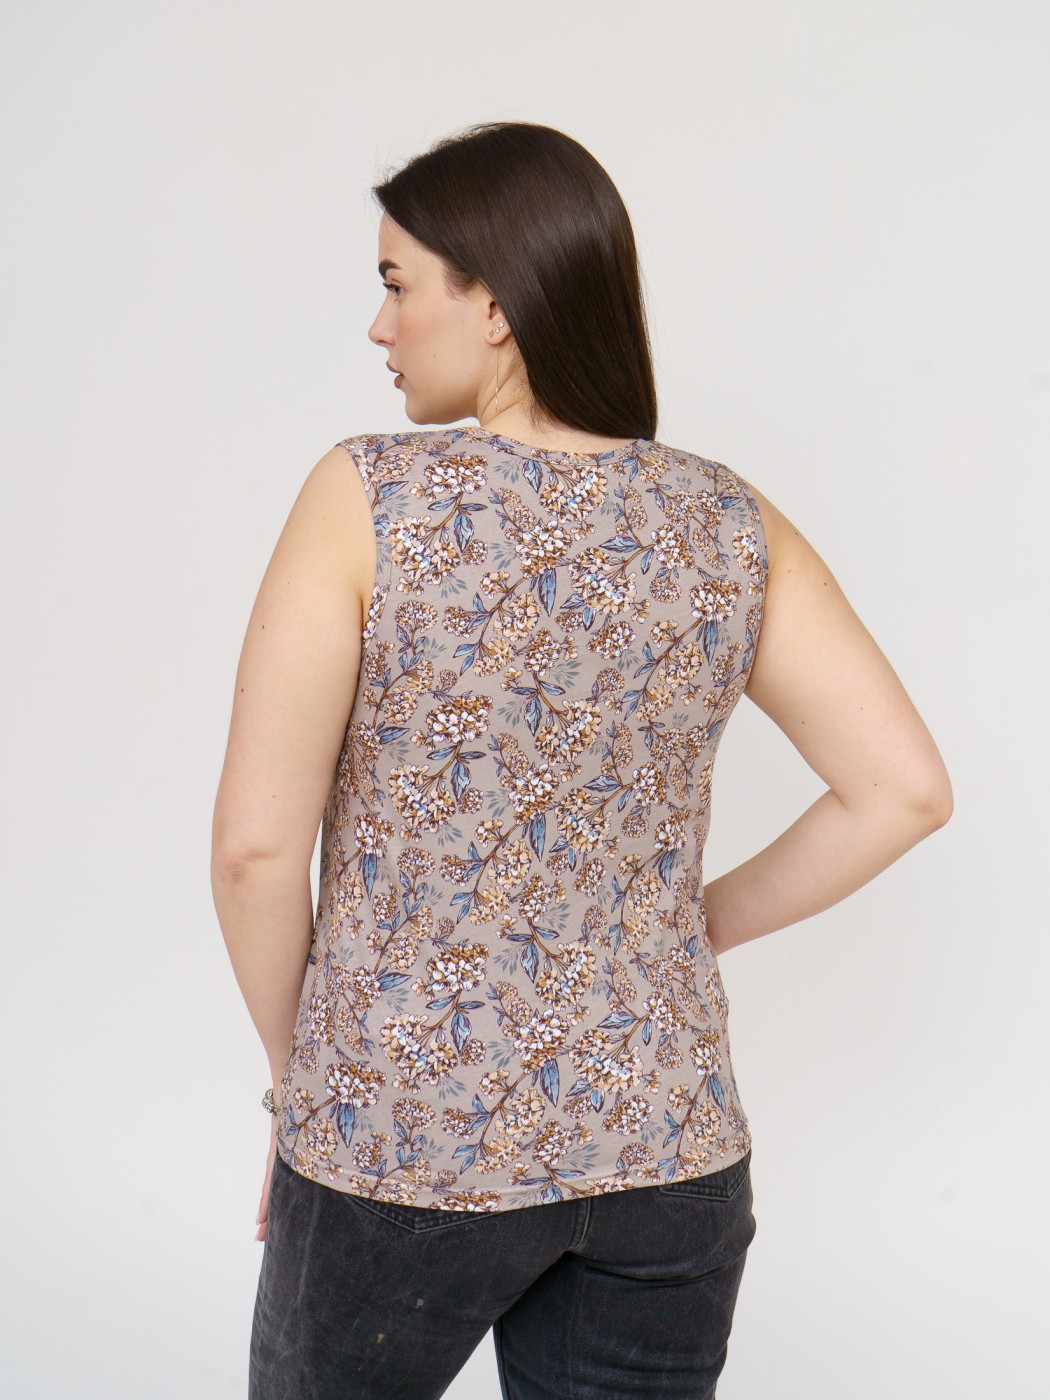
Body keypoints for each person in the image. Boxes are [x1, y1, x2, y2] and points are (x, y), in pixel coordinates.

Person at [211, 121, 953, 1400]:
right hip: (668, 1149)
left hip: (401, 1140)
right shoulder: (728, 518)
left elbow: (254, 851)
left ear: (496, 303)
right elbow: (903, 790)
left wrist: (304, 1092)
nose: (379, 327)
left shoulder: (369, 496)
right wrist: (692, 927)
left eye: (397, 284)